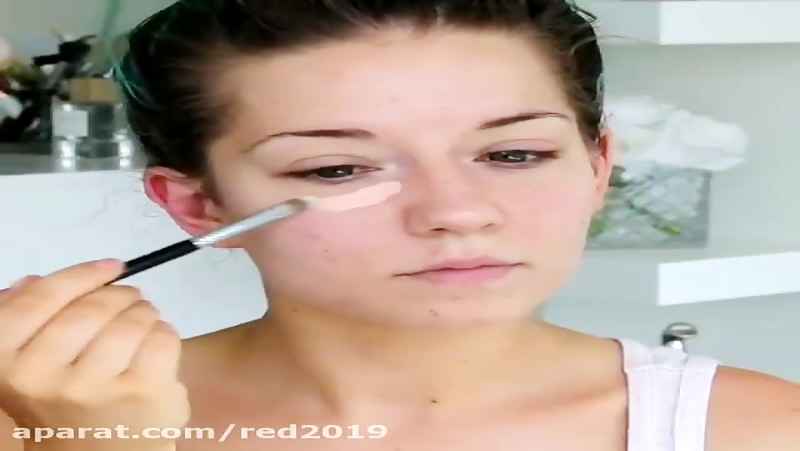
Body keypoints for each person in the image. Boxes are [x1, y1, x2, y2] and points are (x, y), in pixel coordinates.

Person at [1, 1, 798, 450]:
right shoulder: (45, 421)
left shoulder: (759, 431)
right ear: (197, 206)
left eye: (514, 153)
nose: (456, 211)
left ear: (597, 167)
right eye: (336, 168)